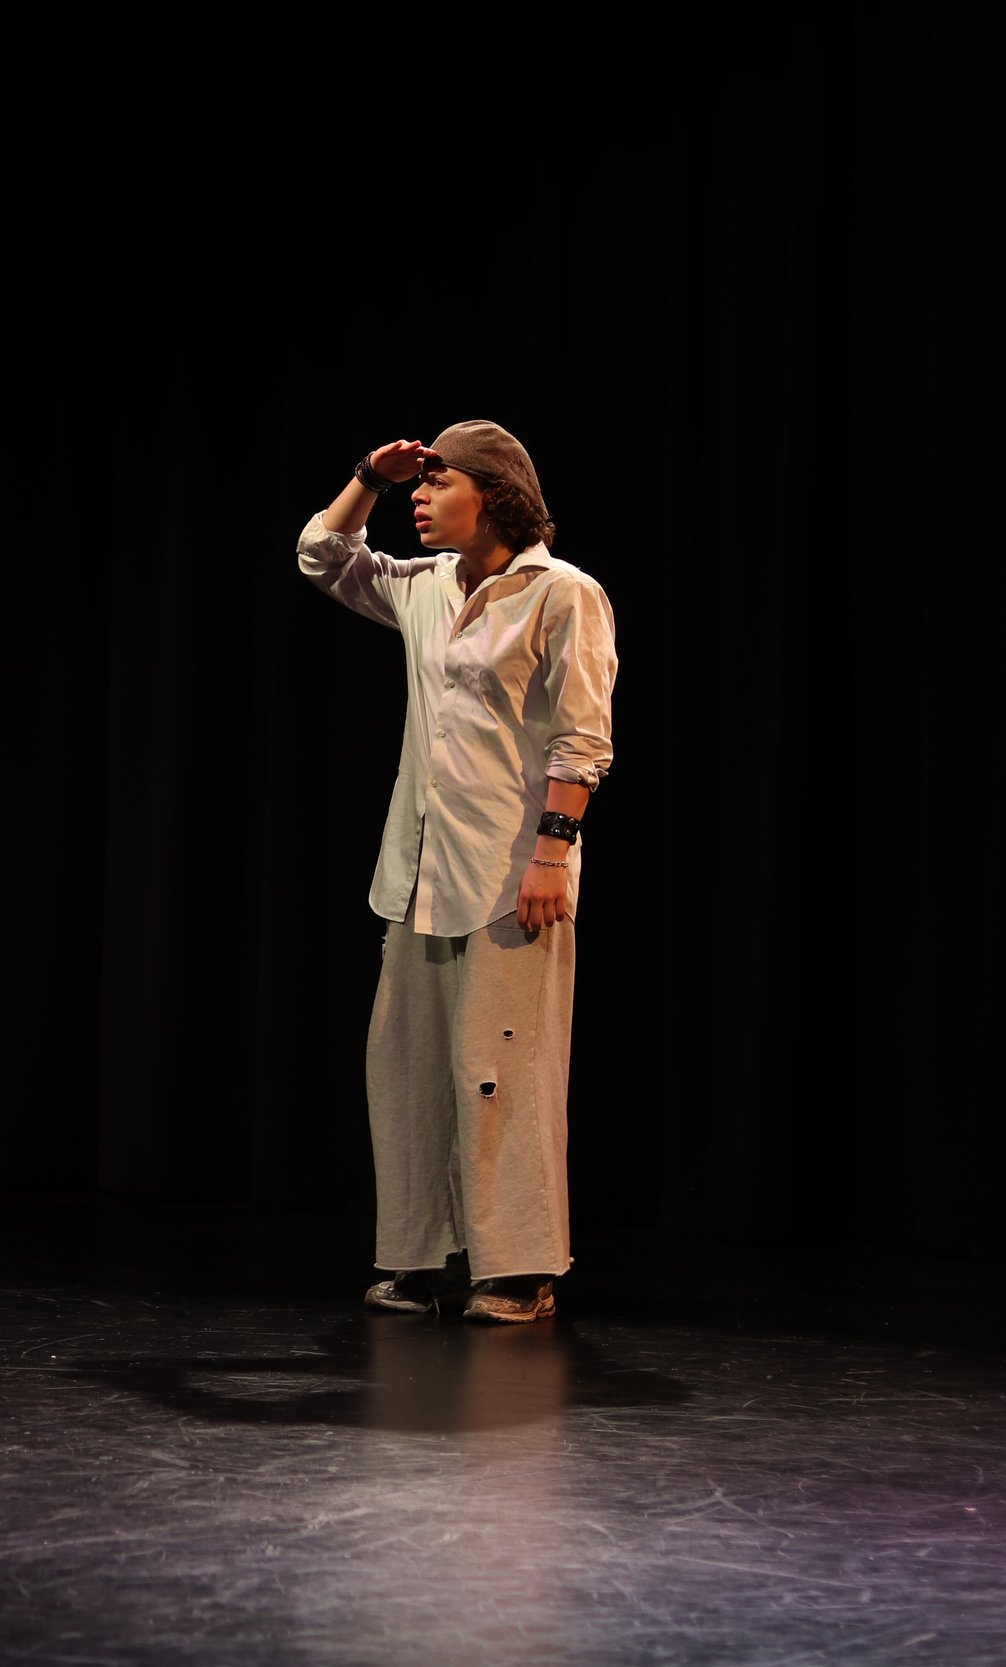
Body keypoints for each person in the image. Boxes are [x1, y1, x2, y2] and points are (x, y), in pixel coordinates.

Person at [297, 422, 617, 1322]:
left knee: (505, 1067)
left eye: (438, 485)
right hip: (419, 868)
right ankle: (418, 1254)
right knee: (405, 1065)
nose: (420, 501)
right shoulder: (426, 586)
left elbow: (582, 735)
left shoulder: (562, 594)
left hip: (513, 870)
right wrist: (365, 474)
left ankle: (519, 1266)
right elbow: (323, 556)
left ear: (496, 495)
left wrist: (553, 850)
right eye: (416, 490)